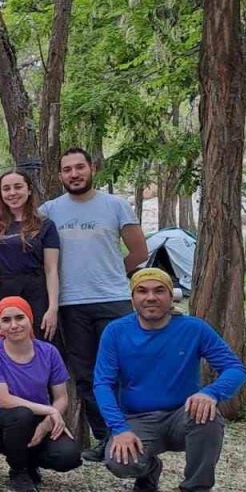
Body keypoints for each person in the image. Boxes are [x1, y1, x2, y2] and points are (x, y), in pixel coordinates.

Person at [96, 268, 246, 492]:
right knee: (119, 462)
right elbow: (103, 383)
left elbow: (235, 369)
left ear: (171, 296)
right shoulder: (116, 331)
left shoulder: (193, 329)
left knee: (209, 418)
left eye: (159, 291)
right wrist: (119, 428)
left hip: (182, 415)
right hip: (138, 417)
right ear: (132, 298)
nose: (151, 298)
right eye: (142, 291)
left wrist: (211, 393)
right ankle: (149, 469)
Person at [39, 147, 148, 462]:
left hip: (114, 301)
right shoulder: (50, 210)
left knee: (124, 371)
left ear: (92, 168)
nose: (74, 174)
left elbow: (139, 253)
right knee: (86, 375)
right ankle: (105, 437)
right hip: (71, 305)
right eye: (67, 169)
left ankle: (137, 431)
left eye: (79, 167)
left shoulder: (116, 206)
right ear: (60, 175)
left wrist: (112, 273)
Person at [0, 296, 81, 492]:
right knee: (21, 415)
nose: (14, 325)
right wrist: (49, 410)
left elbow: (61, 397)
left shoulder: (49, 352)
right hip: (4, 421)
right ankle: (18, 471)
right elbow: (4, 400)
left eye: (20, 317)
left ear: (30, 319)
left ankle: (30, 462)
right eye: (6, 320)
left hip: (39, 419)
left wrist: (45, 425)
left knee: (69, 456)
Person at [0, 170, 60, 342]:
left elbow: (51, 270)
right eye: (6, 189)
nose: (12, 193)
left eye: (18, 187)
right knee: (2, 346)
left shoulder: (46, 225)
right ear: (1, 194)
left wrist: (52, 308)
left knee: (39, 345)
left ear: (29, 190)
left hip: (35, 293)